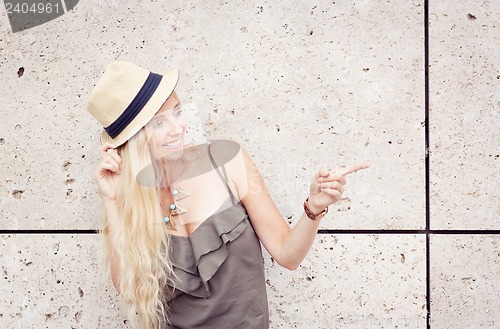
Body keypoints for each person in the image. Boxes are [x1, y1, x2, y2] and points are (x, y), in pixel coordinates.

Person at [87, 60, 369, 329]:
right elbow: (130, 291)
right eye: (159, 123)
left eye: (177, 111)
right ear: (135, 141)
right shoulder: (132, 198)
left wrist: (313, 208)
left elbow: (288, 255)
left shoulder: (226, 162)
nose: (178, 128)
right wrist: (112, 200)